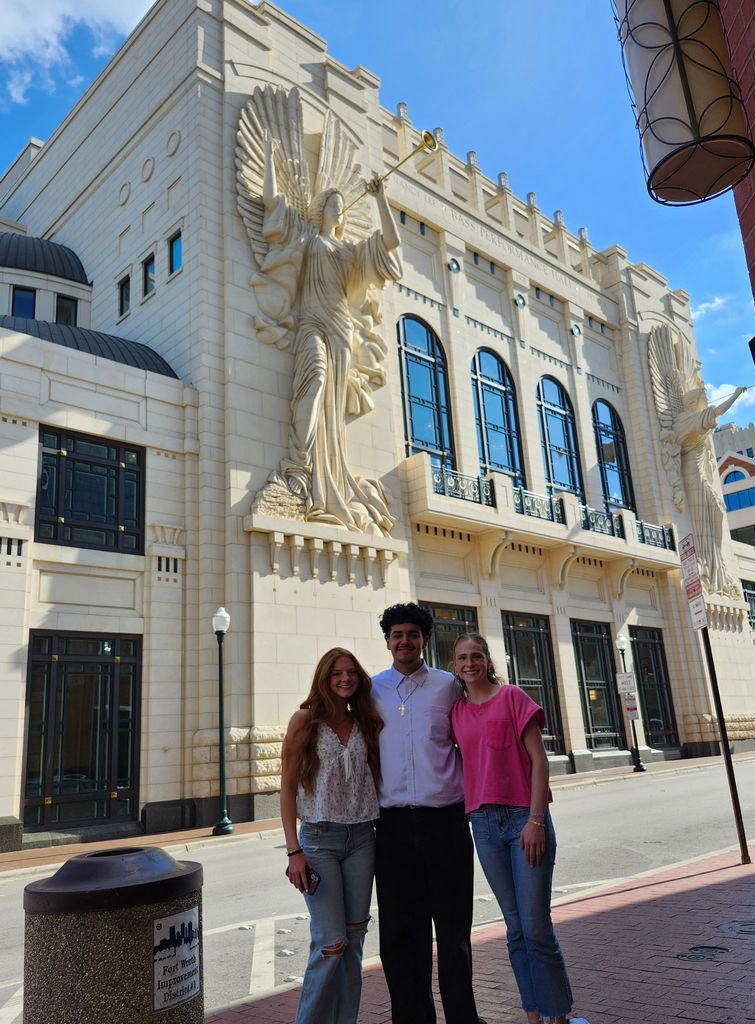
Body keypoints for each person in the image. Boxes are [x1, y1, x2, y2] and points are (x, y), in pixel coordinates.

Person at [255, 133, 402, 534]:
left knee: (331, 414)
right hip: (311, 324)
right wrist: (269, 157)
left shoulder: (352, 253)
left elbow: (391, 241)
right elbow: (272, 202)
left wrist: (380, 198)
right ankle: (299, 465)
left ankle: (324, 486)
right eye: (333, 204)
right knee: (314, 381)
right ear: (321, 211)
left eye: (341, 205)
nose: (339, 209)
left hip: (340, 330)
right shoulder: (307, 240)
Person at [450, 632, 587, 1024]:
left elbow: (539, 762)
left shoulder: (512, 697)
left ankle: (558, 1016)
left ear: (487, 660)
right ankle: (533, 1015)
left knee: (536, 928)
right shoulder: (456, 712)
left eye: (476, 655)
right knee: (514, 930)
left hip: (523, 820)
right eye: (462, 658)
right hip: (483, 825)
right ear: (455, 665)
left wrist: (536, 820)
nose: (470, 663)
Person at [371, 602, 486, 1024]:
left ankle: (464, 1018)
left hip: (446, 822)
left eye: (413, 635)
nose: (405, 641)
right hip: (393, 826)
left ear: (424, 640)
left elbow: (477, 733)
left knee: (454, 931)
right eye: (397, 634)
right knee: (402, 935)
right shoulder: (370, 689)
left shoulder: (448, 686)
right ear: (387, 641)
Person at [280, 647, 383, 1024]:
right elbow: (287, 787)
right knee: (330, 943)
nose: (345, 679)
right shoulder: (305, 720)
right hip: (319, 840)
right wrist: (294, 850)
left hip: (362, 837)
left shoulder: (366, 721)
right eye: (337, 673)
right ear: (324, 678)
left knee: (354, 941)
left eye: (351, 673)